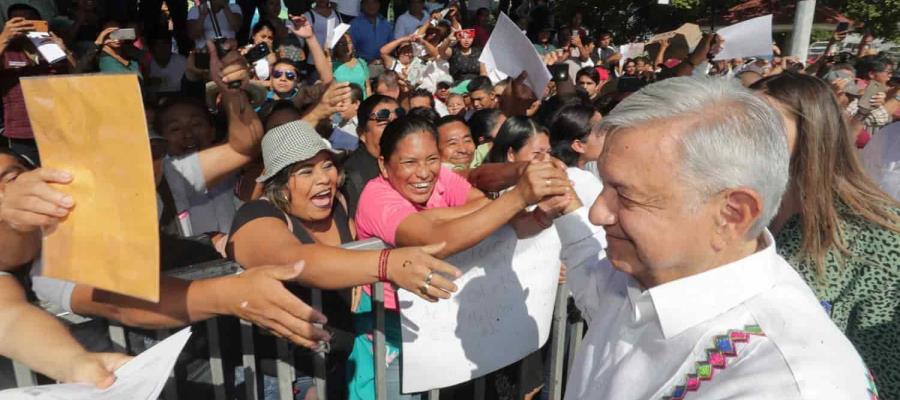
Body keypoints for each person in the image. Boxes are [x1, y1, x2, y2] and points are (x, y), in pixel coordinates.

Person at [554, 75, 875, 399]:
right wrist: (566, 209)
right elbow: (596, 289)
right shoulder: (651, 269)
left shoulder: (790, 385)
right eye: (605, 185)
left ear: (732, 215)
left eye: (626, 195)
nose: (598, 213)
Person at [351, 115, 571, 399]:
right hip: (393, 337)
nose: (423, 173)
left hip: (442, 331)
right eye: (409, 163)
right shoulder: (375, 197)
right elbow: (435, 240)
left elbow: (481, 204)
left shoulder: (441, 176)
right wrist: (516, 199)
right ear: (383, 164)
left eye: (431, 159)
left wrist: (440, 218)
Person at [752, 72, 900, 399]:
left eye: (766, 126)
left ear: (812, 133)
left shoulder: (877, 235)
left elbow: (883, 367)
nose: (747, 137)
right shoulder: (736, 209)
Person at [0, 5, 74, 165]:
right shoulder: (6, 51)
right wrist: (4, 37)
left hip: (57, 128)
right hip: (22, 132)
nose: (24, 24)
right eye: (18, 21)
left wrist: (65, 52)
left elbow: (77, 77)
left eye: (29, 20)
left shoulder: (50, 49)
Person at [341, 95, 403, 215]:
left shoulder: (410, 164)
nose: (395, 129)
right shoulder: (352, 178)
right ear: (362, 133)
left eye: (398, 122)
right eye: (384, 124)